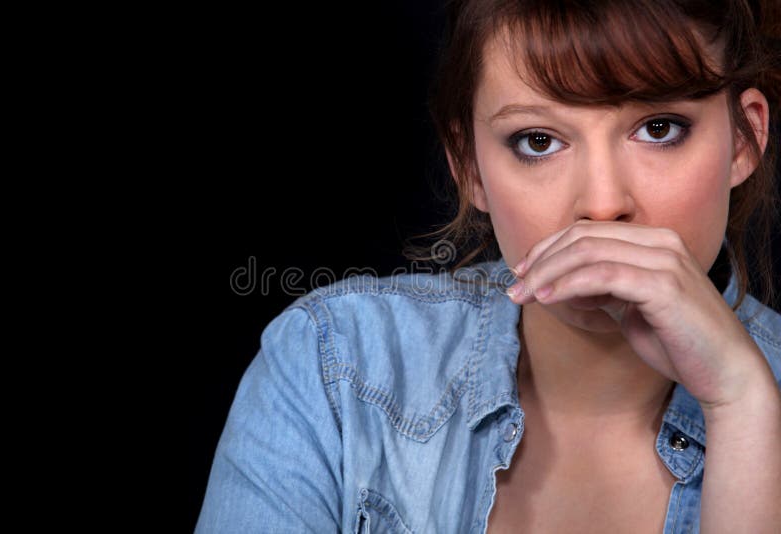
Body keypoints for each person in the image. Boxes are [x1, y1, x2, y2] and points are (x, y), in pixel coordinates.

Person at [196, 1, 781, 532]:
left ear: (743, 139)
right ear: (469, 166)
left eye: (658, 129)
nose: (602, 203)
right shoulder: (334, 367)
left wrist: (744, 405)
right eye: (537, 140)